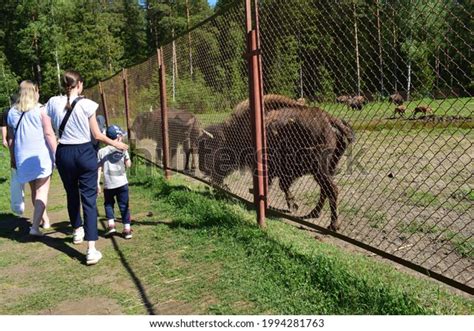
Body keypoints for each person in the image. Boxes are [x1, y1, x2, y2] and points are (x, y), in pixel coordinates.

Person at [45, 70, 128, 265]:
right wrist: (116, 144)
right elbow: (97, 135)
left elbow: (47, 125)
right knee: (89, 200)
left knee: (71, 194)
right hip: (83, 153)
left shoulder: (53, 103)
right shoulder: (87, 104)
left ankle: (76, 231)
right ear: (80, 84)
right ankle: (91, 249)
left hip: (63, 152)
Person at [7, 81, 56, 235]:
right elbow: (49, 134)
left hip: (22, 157)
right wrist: (57, 153)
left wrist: (12, 157)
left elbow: (11, 139)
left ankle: (45, 220)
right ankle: (35, 227)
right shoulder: (42, 110)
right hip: (40, 157)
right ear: (34, 92)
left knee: (34, 190)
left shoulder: (12, 112)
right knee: (42, 191)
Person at [97, 125, 133, 239]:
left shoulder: (101, 151)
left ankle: (111, 225)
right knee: (124, 205)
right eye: (121, 136)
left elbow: (98, 168)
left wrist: (97, 183)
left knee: (108, 204)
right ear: (118, 137)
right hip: (122, 183)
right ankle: (127, 229)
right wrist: (126, 158)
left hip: (108, 184)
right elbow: (128, 165)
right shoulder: (122, 148)